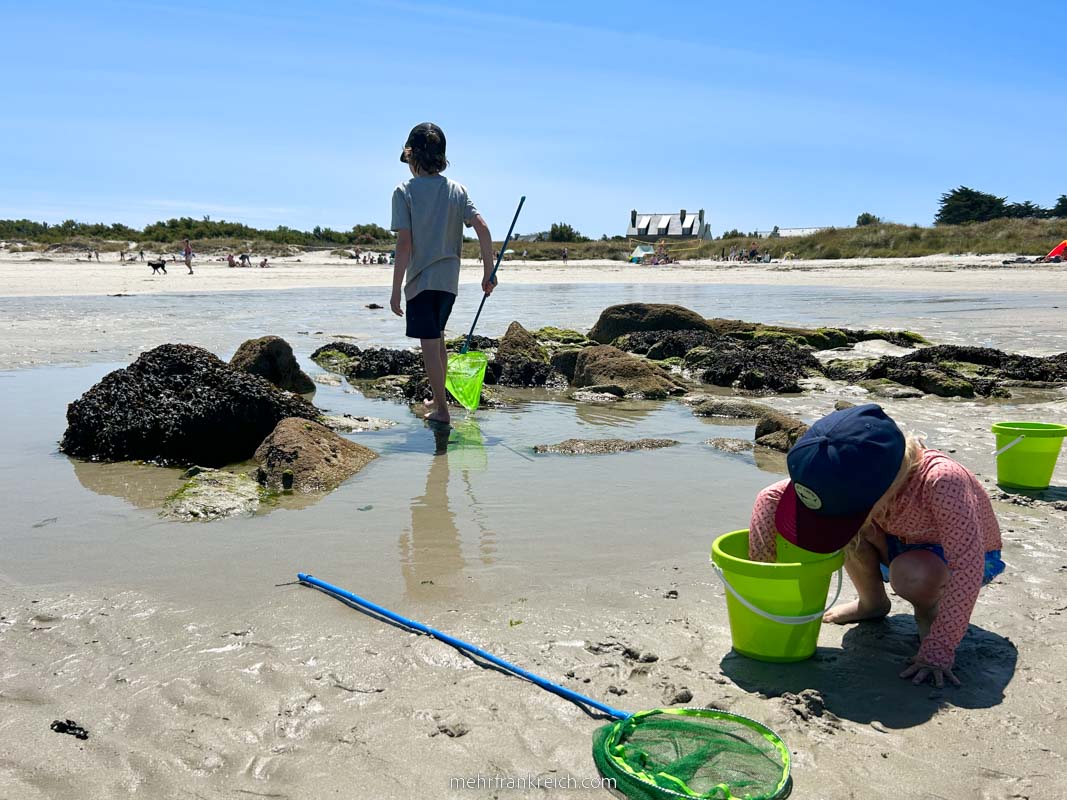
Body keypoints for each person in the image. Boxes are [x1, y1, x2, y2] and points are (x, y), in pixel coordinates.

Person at [748, 404, 1004, 688]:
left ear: (882, 489)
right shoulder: (849, 473)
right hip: (897, 541)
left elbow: (967, 564)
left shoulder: (942, 481)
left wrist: (940, 649)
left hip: (956, 557)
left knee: (911, 573)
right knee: (838, 528)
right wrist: (762, 574)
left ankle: (929, 611)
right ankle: (872, 603)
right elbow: (770, 497)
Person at [390, 121, 495, 425]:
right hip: (449, 282)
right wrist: (489, 271)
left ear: (412, 156)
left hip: (421, 280)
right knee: (438, 339)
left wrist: (395, 289)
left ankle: (442, 411)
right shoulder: (457, 190)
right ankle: (438, 399)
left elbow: (405, 244)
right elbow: (484, 229)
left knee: (429, 344)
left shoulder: (404, 191)